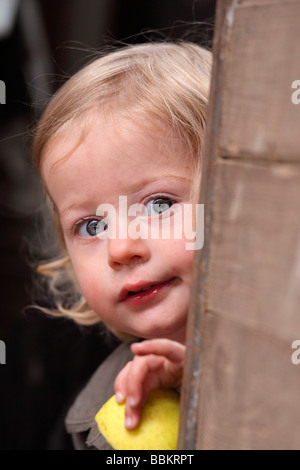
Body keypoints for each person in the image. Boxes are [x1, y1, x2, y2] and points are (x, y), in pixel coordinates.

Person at [31, 41, 212, 449]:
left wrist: (207, 392)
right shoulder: (99, 407)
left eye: (159, 204)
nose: (120, 248)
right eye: (92, 226)